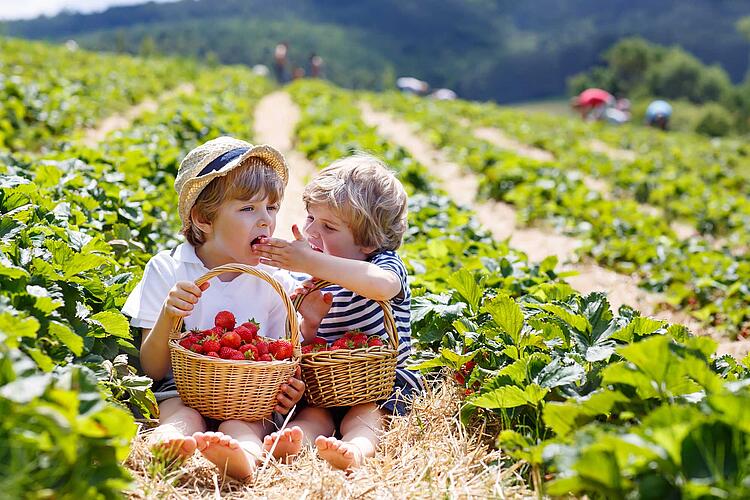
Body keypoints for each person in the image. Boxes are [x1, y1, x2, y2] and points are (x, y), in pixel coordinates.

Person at [122, 136, 307, 482]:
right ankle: (169, 445)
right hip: (182, 390)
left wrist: (291, 385)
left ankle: (245, 458)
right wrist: (169, 315)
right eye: (248, 209)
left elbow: (286, 356)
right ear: (204, 219)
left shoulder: (275, 281)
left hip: (250, 398)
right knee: (178, 414)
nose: (265, 220)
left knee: (245, 425)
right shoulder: (168, 270)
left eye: (272, 207)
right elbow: (152, 368)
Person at [252, 153, 424, 471]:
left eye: (329, 227)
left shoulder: (382, 265)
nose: (313, 232)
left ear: (369, 242)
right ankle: (294, 443)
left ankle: (357, 449)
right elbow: (312, 344)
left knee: (366, 416)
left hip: (379, 385)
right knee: (312, 415)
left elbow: (383, 286)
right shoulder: (316, 281)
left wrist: (311, 262)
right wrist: (311, 322)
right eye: (311, 218)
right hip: (328, 388)